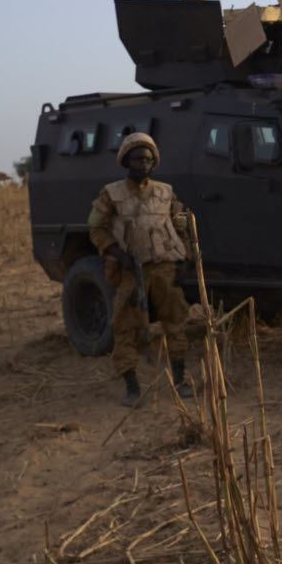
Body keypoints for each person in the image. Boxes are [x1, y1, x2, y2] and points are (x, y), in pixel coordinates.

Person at [88, 133, 195, 406]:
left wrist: (186, 258)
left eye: (148, 159)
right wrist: (118, 254)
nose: (143, 163)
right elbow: (97, 229)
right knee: (125, 328)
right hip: (131, 271)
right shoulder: (111, 194)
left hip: (166, 268)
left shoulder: (166, 192)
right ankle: (132, 387)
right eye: (137, 158)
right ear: (126, 161)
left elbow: (179, 225)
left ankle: (180, 380)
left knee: (177, 324)